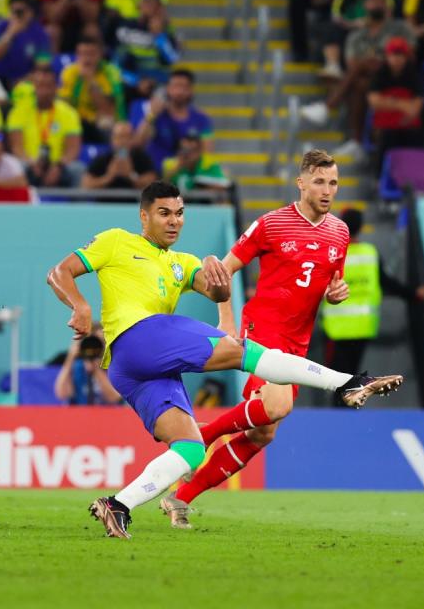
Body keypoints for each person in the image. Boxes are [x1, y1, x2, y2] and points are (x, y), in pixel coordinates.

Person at [46, 180, 403, 539]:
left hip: (137, 371)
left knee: (189, 449)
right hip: (137, 337)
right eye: (164, 213)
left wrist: (219, 282)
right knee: (243, 353)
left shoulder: (182, 264)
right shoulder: (116, 240)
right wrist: (80, 305)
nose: (174, 221)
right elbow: (59, 273)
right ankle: (345, 382)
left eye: (180, 213)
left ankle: (118, 505)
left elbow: (215, 287)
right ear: (144, 215)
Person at [157, 150, 399, 528]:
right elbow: (223, 271)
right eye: (319, 181)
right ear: (301, 183)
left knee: (262, 432)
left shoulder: (340, 232)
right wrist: (226, 323)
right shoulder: (271, 224)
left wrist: (336, 293)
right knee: (278, 406)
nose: (327, 190)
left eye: (333, 182)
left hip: (298, 338)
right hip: (264, 327)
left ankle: (180, 498)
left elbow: (330, 283)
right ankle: (199, 439)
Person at [321, 207, 424, 403]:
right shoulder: (369, 253)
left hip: (336, 328)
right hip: (364, 326)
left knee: (335, 379)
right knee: (352, 376)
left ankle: (337, 418)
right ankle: (346, 413)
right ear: (361, 228)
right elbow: (388, 282)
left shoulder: (331, 255)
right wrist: (415, 293)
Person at [299, 0, 414, 157]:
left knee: (362, 67)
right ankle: (357, 142)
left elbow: (409, 55)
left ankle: (328, 107)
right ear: (365, 5)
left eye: (379, 1)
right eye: (371, 1)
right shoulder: (356, 35)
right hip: (369, 82)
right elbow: (351, 63)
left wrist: (380, 61)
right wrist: (376, 60)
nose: (375, 5)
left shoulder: (400, 28)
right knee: (359, 84)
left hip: (395, 77)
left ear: (387, 5)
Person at [6, 66, 83, 187]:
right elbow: (17, 147)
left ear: (55, 88)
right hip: (29, 163)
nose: (44, 91)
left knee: (78, 170)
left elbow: (73, 149)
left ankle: (79, 206)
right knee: (17, 167)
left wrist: (58, 166)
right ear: (33, 87)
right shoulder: (18, 111)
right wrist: (32, 163)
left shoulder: (69, 113)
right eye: (40, 85)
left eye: (48, 86)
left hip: (58, 165)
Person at [131, 69, 213, 172]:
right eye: (175, 86)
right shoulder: (156, 115)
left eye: (184, 87)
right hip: (157, 174)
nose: (179, 91)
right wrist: (151, 116)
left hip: (187, 174)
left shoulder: (201, 119)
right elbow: (138, 143)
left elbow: (207, 152)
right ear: (168, 89)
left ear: (191, 90)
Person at [109, 0, 179, 104]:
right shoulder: (126, 28)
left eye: (154, 6)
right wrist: (137, 82)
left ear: (159, 9)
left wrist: (159, 36)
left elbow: (172, 59)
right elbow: (115, 64)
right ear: (139, 5)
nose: (149, 8)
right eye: (146, 4)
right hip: (130, 81)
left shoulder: (167, 32)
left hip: (157, 84)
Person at [367, 36, 424, 169]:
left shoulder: (413, 75)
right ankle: (379, 177)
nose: (396, 59)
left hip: (406, 124)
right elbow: (374, 101)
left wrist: (389, 102)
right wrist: (402, 105)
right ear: (387, 56)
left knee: (415, 136)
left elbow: (416, 108)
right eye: (393, 54)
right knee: (386, 136)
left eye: (400, 55)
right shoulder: (379, 74)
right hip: (384, 125)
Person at [58, 36, 125, 144]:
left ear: (100, 55)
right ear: (77, 55)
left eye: (91, 54)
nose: (87, 58)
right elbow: (63, 104)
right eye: (83, 54)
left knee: (106, 123)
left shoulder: (110, 73)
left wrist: (90, 80)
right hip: (76, 118)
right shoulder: (70, 72)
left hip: (98, 122)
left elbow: (107, 110)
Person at [0, 0, 52, 87]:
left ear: (31, 12)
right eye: (14, 11)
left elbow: (42, 65)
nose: (17, 15)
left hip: (24, 80)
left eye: (21, 12)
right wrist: (10, 33)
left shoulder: (40, 33)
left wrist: (24, 80)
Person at [39, 0, 104, 54]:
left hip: (80, 27)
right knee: (52, 31)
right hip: (59, 27)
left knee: (92, 30)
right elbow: (53, 17)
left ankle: (93, 64)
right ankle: (51, 65)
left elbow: (92, 17)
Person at [54, 327, 122, 405]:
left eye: (101, 342)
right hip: (81, 414)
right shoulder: (77, 367)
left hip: (106, 414)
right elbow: (62, 394)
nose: (94, 347)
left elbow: (114, 398)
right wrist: (71, 357)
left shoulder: (112, 366)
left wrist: (96, 370)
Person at [81, 120, 156, 190]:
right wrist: (108, 177)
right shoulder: (102, 158)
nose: (123, 141)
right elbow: (86, 185)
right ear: (112, 140)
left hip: (134, 203)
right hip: (106, 203)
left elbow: (153, 184)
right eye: (119, 137)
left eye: (127, 137)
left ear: (132, 139)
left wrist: (131, 176)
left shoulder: (141, 157)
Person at [162, 132, 230, 192]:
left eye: (194, 149)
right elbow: (163, 185)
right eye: (187, 150)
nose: (190, 154)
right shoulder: (170, 163)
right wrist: (179, 166)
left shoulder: (209, 162)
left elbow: (223, 184)